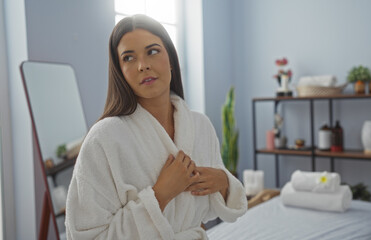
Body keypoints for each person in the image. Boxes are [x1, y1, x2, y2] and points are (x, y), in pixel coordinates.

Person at [65, 14, 247, 239]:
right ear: (120, 71)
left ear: (170, 58)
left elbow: (209, 209)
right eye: (129, 58)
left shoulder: (200, 126)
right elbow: (85, 235)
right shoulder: (104, 138)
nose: (143, 66)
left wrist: (223, 181)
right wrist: (160, 194)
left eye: (152, 51)